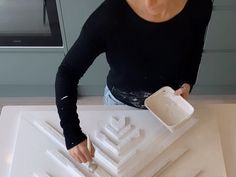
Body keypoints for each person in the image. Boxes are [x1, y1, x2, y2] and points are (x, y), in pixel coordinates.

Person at [55, 0, 213, 163]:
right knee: (124, 167)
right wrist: (72, 134)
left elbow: (195, 47)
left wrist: (187, 82)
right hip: (120, 104)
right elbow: (68, 72)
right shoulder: (109, 16)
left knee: (164, 167)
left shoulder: (200, 5)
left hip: (169, 105)